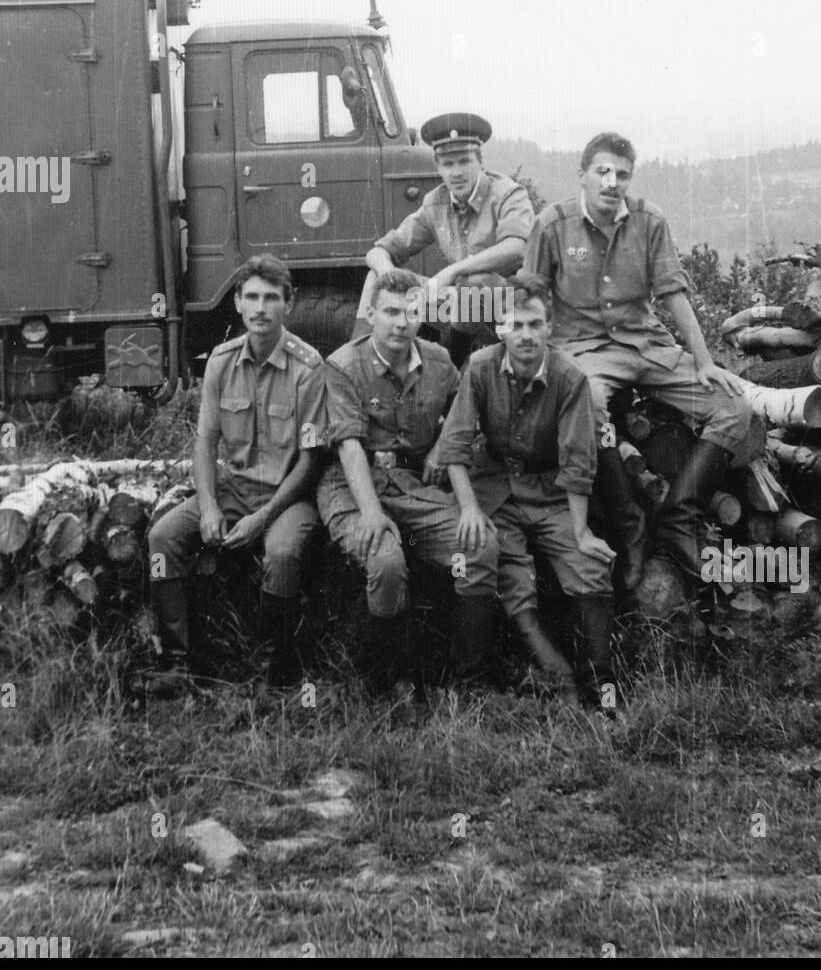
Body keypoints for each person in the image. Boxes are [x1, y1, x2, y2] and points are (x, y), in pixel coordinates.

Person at [522, 132, 753, 596]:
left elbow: (673, 291)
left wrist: (704, 361)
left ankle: (678, 517)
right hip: (583, 351)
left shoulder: (649, 221)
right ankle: (630, 530)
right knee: (586, 401)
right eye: (602, 172)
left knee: (735, 407)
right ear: (582, 176)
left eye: (622, 175)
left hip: (645, 345)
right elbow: (530, 296)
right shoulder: (551, 224)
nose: (612, 183)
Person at [145, 255, 325, 696]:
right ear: (239, 305)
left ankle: (272, 672)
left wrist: (261, 520)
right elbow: (205, 442)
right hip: (233, 489)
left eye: (271, 298)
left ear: (289, 303)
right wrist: (208, 507)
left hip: (289, 496)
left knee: (281, 553)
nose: (261, 308)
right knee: (161, 539)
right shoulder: (222, 362)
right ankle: (178, 663)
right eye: (252, 298)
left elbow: (310, 463)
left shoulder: (308, 367)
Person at [435, 275, 618, 707]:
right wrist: (468, 509)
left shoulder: (570, 378)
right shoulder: (480, 367)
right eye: (516, 325)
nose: (526, 335)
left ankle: (603, 685)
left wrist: (580, 531)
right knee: (504, 569)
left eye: (535, 324)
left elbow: (577, 459)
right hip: (496, 488)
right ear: (500, 329)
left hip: (550, 491)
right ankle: (537, 678)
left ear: (550, 328)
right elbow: (455, 444)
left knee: (589, 568)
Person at [319, 268, 500, 695]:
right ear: (372, 312)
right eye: (391, 311)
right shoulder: (343, 366)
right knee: (385, 561)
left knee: (477, 550)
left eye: (412, 311)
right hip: (352, 483)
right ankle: (387, 679)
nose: (401, 322)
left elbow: (463, 412)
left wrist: (443, 447)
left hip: (414, 483)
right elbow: (347, 446)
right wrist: (370, 513)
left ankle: (468, 678)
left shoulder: (438, 361)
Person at [359, 113, 534, 358]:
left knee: (475, 283)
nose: (457, 172)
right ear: (438, 167)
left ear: (480, 161)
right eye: (448, 164)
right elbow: (378, 250)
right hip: (457, 302)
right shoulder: (436, 202)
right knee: (375, 280)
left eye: (464, 161)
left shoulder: (507, 194)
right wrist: (388, 274)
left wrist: (453, 271)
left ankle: (452, 367)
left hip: (510, 305)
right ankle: (366, 363)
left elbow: (517, 248)